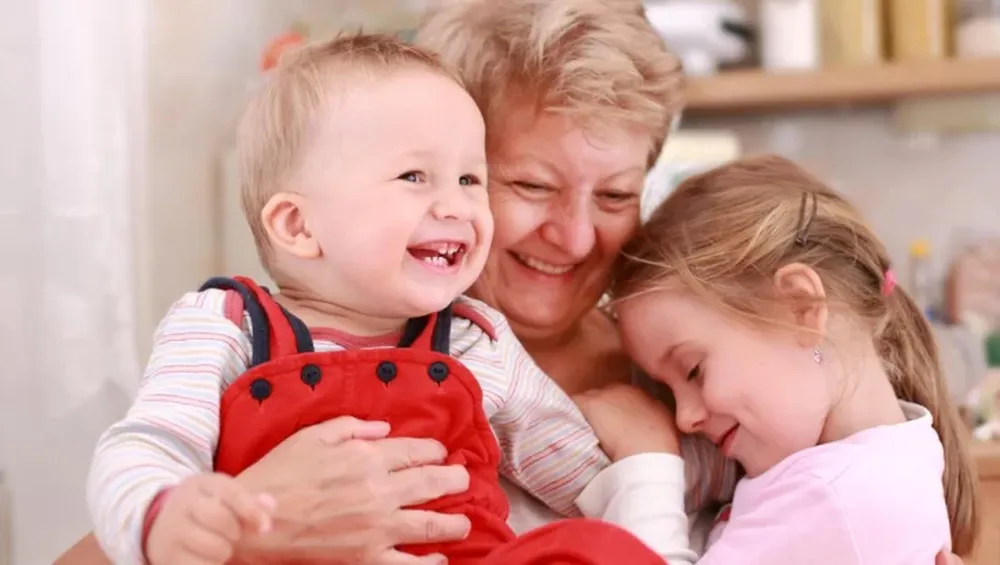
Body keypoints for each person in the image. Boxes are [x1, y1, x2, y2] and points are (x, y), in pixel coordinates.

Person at [53, 2, 964, 564]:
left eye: (614, 194)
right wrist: (256, 519)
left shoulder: (695, 396)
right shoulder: (265, 338)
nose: (573, 235)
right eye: (528, 185)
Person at [85, 31, 698, 565]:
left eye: (468, 179)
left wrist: (696, 462)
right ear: (298, 226)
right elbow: (149, 446)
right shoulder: (224, 325)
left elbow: (582, 476)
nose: (456, 205)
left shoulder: (472, 338)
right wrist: (167, 517)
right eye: (414, 177)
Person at [580, 155, 980, 563]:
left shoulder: (833, 495)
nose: (684, 419)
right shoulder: (877, 467)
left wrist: (645, 458)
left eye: (694, 371)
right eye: (669, 391)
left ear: (800, 306)